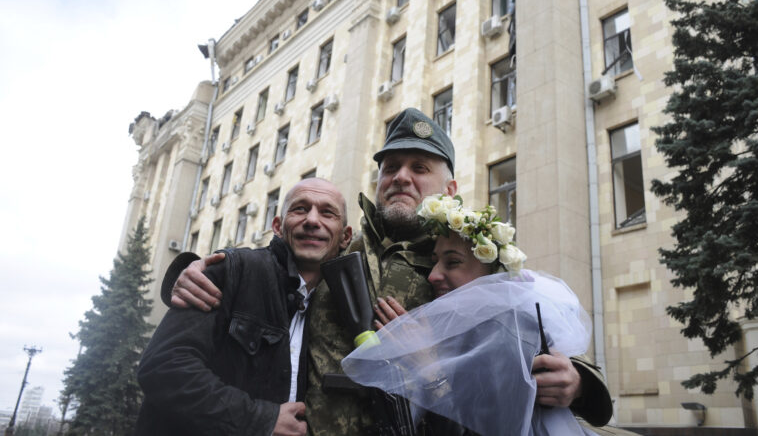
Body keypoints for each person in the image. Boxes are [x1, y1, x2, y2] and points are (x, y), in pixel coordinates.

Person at [167, 108, 613, 434]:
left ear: (450, 188)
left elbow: (532, 325)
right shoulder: (337, 244)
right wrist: (191, 272)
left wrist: (578, 382)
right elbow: (266, 267)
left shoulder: (471, 260)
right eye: (391, 167)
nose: (401, 176)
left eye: (420, 167)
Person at [357, 195, 598, 435]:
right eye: (434, 262)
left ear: (491, 274)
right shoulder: (469, 325)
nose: (432, 275)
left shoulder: (505, 336)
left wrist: (428, 369)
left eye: (452, 263)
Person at [135, 178, 352, 436]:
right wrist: (261, 420)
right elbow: (162, 367)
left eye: (327, 212)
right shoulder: (229, 271)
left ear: (345, 236)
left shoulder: (341, 304)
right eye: (300, 209)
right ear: (278, 226)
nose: (313, 220)